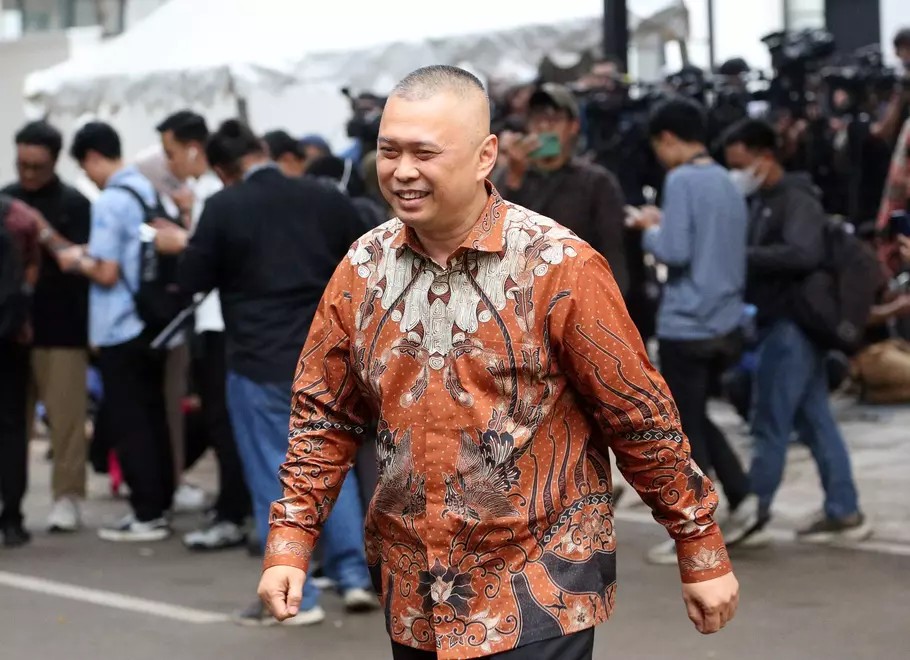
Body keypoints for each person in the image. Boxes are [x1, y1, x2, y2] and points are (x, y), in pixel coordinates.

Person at [258, 65, 738, 660]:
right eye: (389, 151)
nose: (402, 170)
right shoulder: (362, 267)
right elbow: (323, 415)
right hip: (413, 596)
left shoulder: (558, 265)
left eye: (424, 153)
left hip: (538, 590)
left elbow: (638, 415)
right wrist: (291, 539)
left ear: (485, 156)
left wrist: (699, 544)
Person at [153, 119, 377, 625]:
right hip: (326, 355)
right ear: (262, 151)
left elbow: (192, 278)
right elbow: (365, 260)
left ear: (221, 169)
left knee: (274, 476)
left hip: (258, 358)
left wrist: (180, 245)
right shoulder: (323, 197)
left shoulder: (224, 206)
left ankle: (296, 597)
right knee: (329, 465)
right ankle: (353, 576)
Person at [723, 118, 872, 544]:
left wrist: (743, 254)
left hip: (794, 324)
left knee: (769, 420)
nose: (737, 174)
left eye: (741, 165)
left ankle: (755, 512)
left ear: (765, 158)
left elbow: (803, 253)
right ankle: (844, 510)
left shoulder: (796, 198)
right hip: (783, 322)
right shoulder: (764, 200)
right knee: (814, 419)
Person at [629, 98, 756, 563]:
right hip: (725, 318)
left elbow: (675, 251)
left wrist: (648, 228)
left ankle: (698, 530)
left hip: (687, 321)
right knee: (696, 415)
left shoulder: (681, 179)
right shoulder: (726, 179)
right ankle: (743, 496)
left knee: (682, 429)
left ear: (667, 139)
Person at [50, 121, 175, 542]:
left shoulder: (110, 201)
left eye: (85, 168)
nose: (88, 177)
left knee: (129, 421)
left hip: (120, 324)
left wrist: (75, 261)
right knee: (153, 416)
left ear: (92, 158)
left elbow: (106, 272)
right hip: (152, 321)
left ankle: (146, 514)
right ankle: (160, 503)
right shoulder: (147, 191)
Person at [156, 110, 251, 550]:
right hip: (222, 322)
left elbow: (207, 260)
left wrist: (181, 243)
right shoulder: (211, 192)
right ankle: (235, 505)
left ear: (195, 150)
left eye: (171, 152)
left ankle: (233, 511)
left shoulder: (215, 193)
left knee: (224, 420)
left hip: (218, 323)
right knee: (226, 419)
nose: (169, 162)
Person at [2, 121, 92, 533]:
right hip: (11, 329)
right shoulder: (6, 200)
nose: (28, 173)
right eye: (22, 164)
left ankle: (67, 496)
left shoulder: (75, 203)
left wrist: (43, 231)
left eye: (37, 166)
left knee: (66, 418)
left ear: (54, 161)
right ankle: (10, 501)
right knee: (10, 420)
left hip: (61, 325)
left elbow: (87, 258)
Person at [494, 83, 629, 294]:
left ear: (573, 126)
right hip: (520, 294)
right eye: (537, 119)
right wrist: (514, 179)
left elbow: (613, 252)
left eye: (554, 119)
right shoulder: (509, 175)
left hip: (578, 293)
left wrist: (614, 300)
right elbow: (496, 236)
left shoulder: (596, 182)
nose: (544, 127)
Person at [0, 193, 39, 547]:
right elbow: (16, 290)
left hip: (8, 338)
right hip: (8, 340)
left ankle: (12, 513)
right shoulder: (11, 222)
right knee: (11, 428)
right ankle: (11, 516)